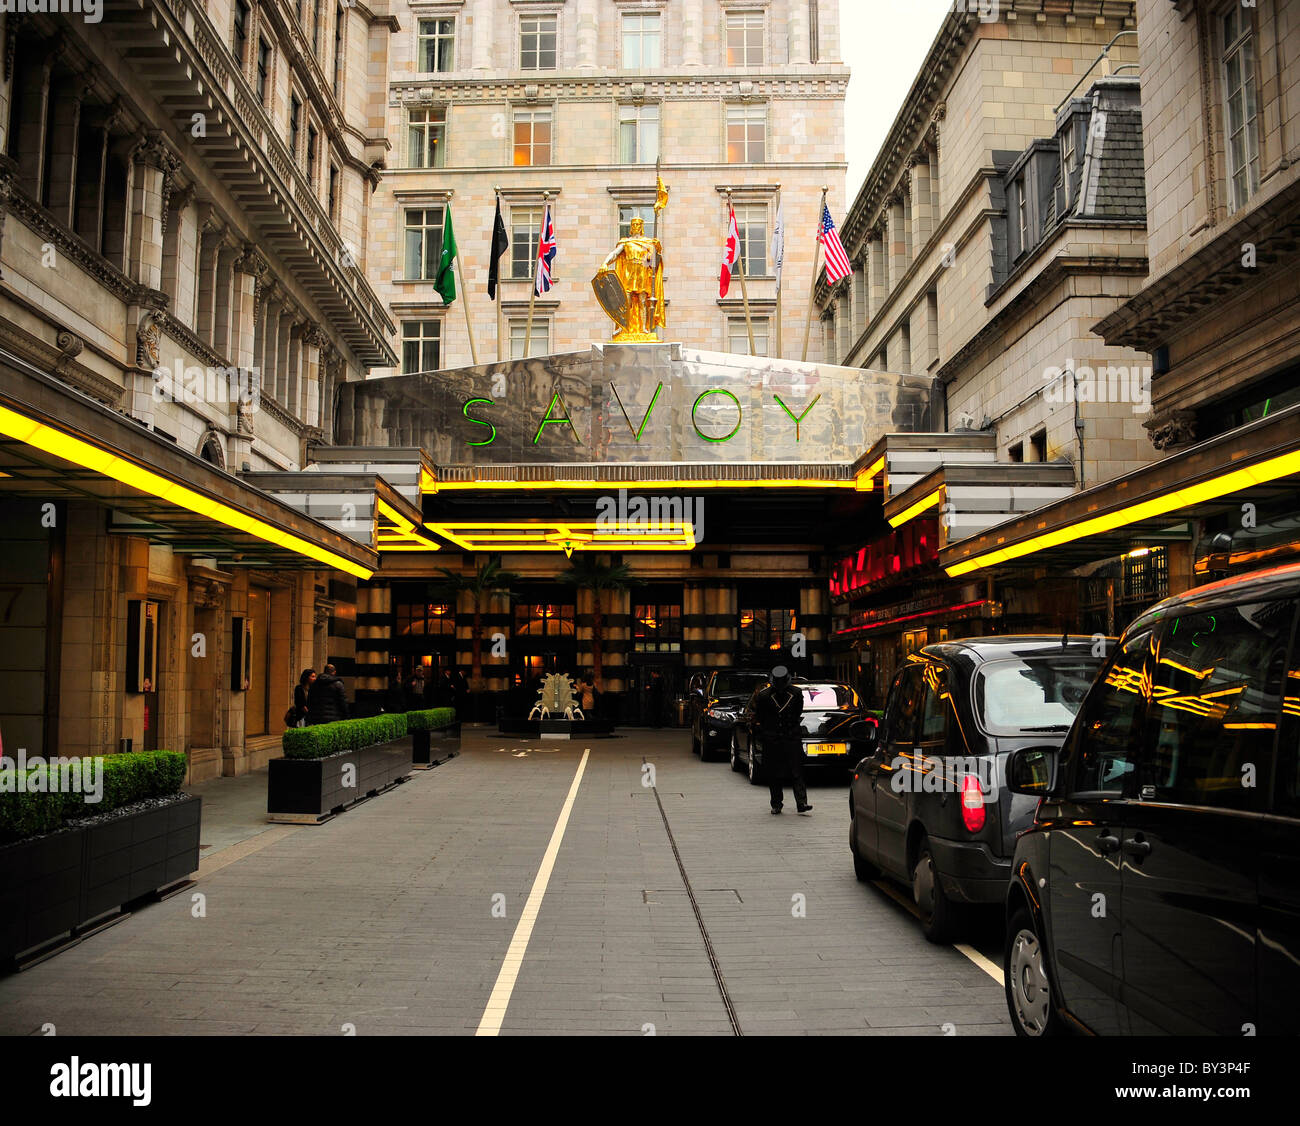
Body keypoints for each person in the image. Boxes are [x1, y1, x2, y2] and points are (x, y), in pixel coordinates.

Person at [752, 665, 811, 815]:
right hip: (772, 739)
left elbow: (797, 713)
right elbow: (760, 716)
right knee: (774, 773)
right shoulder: (764, 696)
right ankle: (776, 804)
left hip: (791, 737)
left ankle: (801, 803)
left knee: (796, 771)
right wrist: (768, 732)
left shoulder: (796, 693)